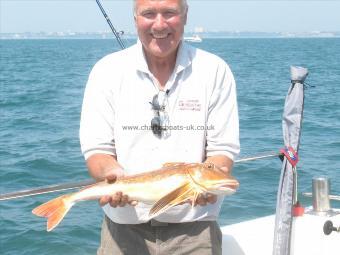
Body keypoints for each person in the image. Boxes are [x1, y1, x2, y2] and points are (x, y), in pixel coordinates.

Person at [79, 0, 240, 254]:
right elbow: (97, 149)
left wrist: (212, 176)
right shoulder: (106, 71)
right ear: (135, 19)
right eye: (149, 14)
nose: (159, 24)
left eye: (169, 13)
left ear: (185, 16)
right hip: (123, 231)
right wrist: (111, 174)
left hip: (195, 230)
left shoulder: (214, 70)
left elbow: (223, 148)